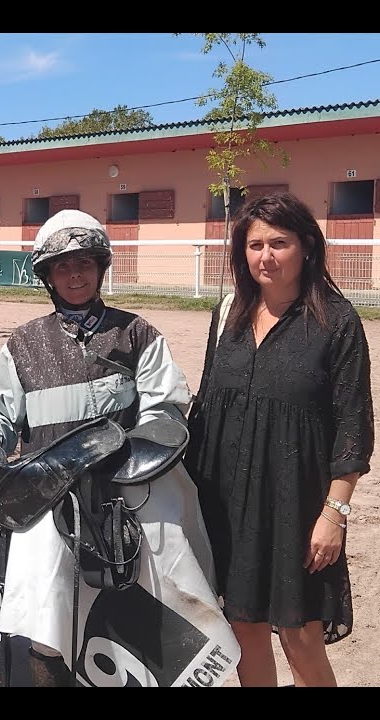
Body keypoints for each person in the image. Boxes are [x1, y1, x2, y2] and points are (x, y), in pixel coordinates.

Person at [0, 209, 234, 687]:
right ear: (47, 275)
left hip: (127, 499)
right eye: (63, 266)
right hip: (48, 505)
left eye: (85, 263)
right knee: (46, 626)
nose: (75, 275)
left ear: (101, 268)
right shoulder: (22, 344)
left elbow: (167, 411)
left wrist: (124, 452)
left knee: (139, 616)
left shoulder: (138, 334)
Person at [185, 191, 374, 687]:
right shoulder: (225, 315)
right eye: (254, 245)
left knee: (300, 638)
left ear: (307, 247)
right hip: (224, 503)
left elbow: (353, 427)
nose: (265, 256)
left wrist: (335, 515)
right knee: (242, 629)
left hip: (298, 504)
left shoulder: (337, 322)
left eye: (279, 243)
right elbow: (204, 409)